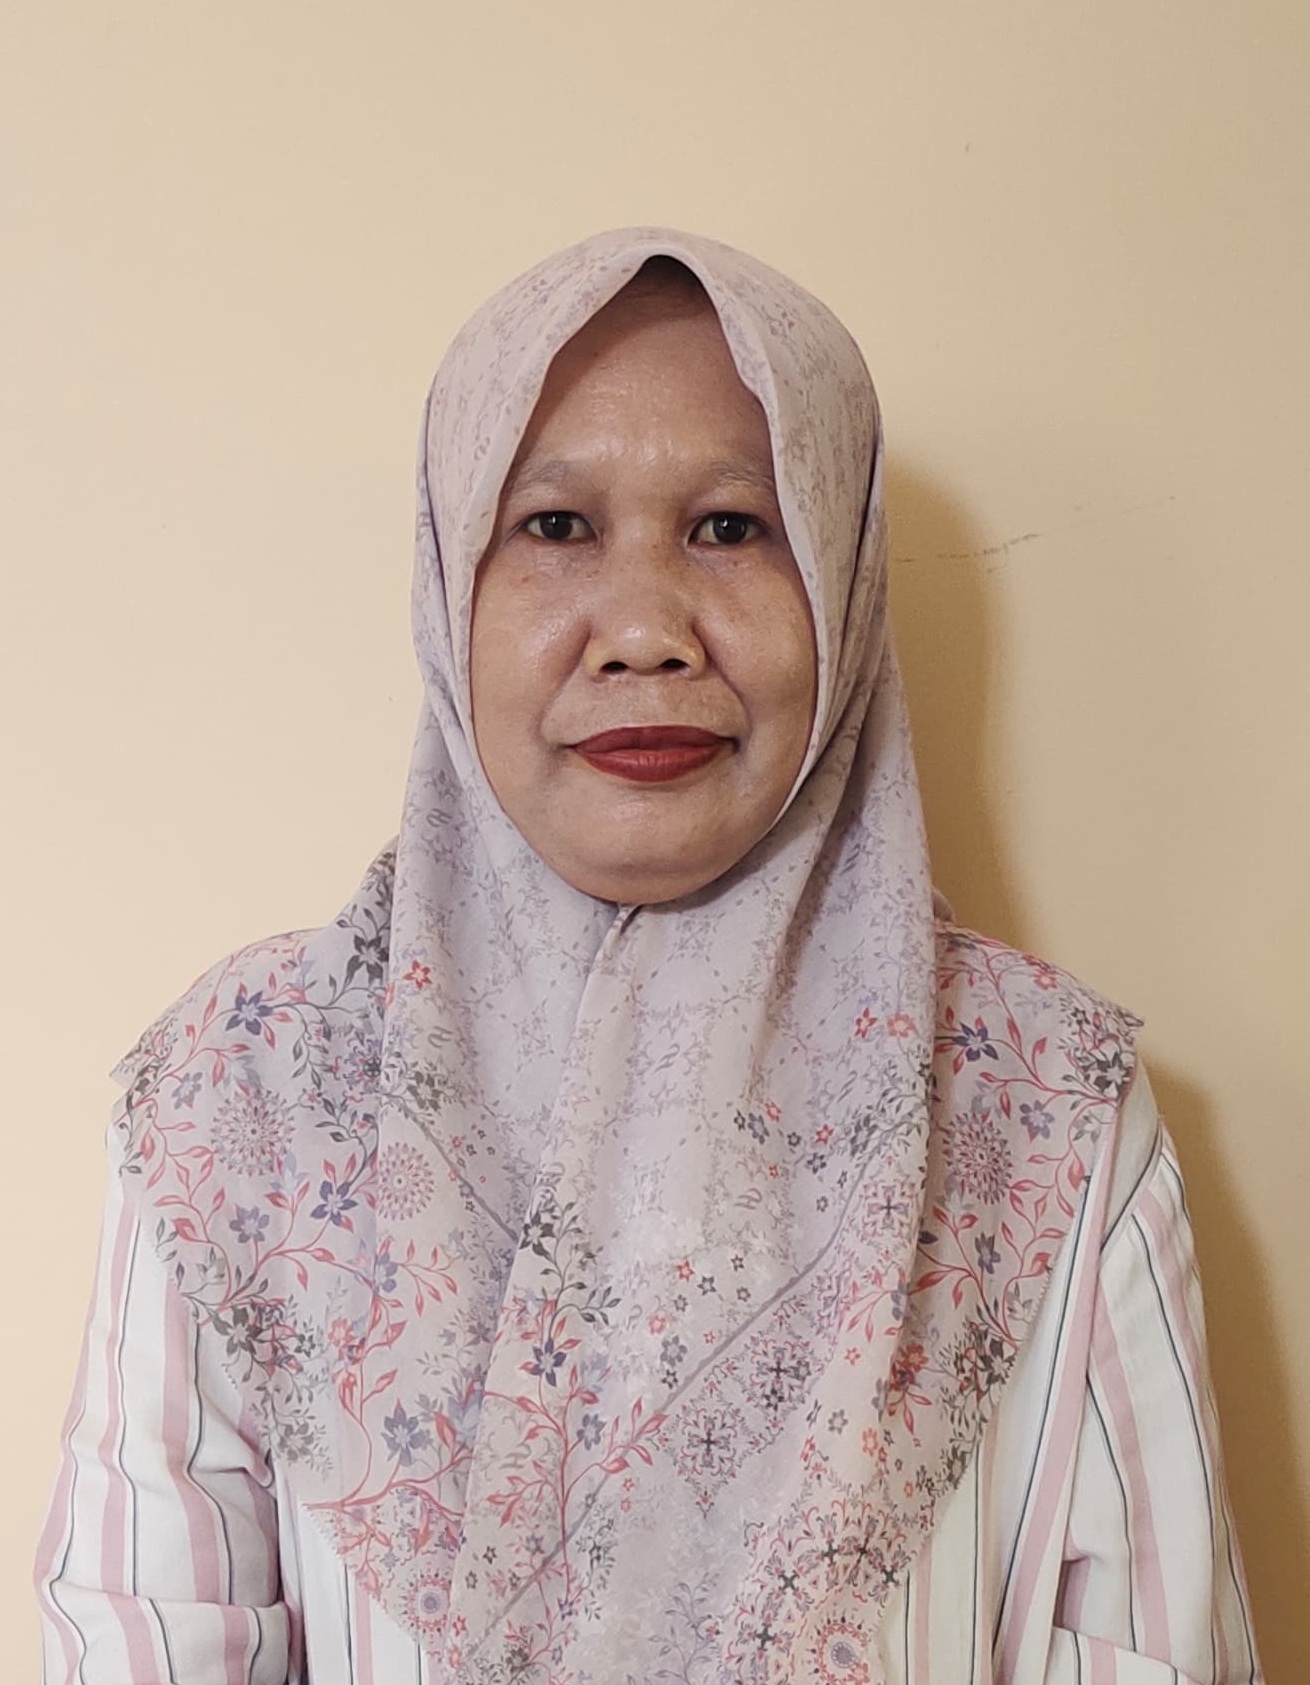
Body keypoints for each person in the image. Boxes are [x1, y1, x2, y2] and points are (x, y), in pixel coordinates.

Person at [34, 229, 1260, 1685]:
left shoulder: (1044, 1107)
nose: (643, 632)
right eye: (555, 524)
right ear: (446, 581)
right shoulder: (245, 1095)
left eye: (732, 527)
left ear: (845, 576)